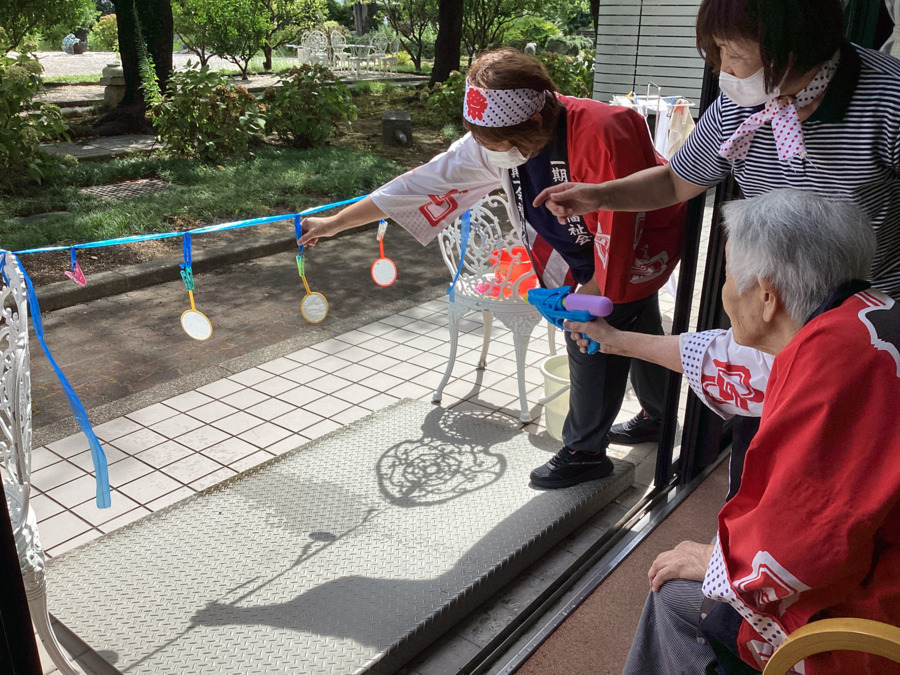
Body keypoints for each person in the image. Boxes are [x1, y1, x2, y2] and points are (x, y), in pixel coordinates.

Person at [298, 48, 686, 489]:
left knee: (591, 338)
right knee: (641, 326)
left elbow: (621, 223)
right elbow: (416, 184)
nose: (488, 153)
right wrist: (334, 223)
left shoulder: (603, 128)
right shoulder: (496, 138)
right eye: (481, 142)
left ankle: (584, 452)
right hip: (583, 250)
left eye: (496, 144)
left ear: (537, 121)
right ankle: (658, 414)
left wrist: (589, 296)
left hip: (636, 244)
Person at [535, 0, 900, 447]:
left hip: (866, 315)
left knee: (839, 443)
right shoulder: (741, 104)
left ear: (792, 48)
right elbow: (675, 181)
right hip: (773, 314)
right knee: (764, 440)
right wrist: (599, 193)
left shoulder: (888, 99)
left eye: (732, 52)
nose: (722, 68)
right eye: (716, 51)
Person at [566, 189, 900, 674]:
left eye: (725, 275)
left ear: (766, 296)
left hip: (876, 619)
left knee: (676, 592)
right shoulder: (861, 317)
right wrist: (614, 341)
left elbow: (807, 539)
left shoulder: (834, 369)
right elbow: (729, 360)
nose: (724, 291)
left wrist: (716, 563)